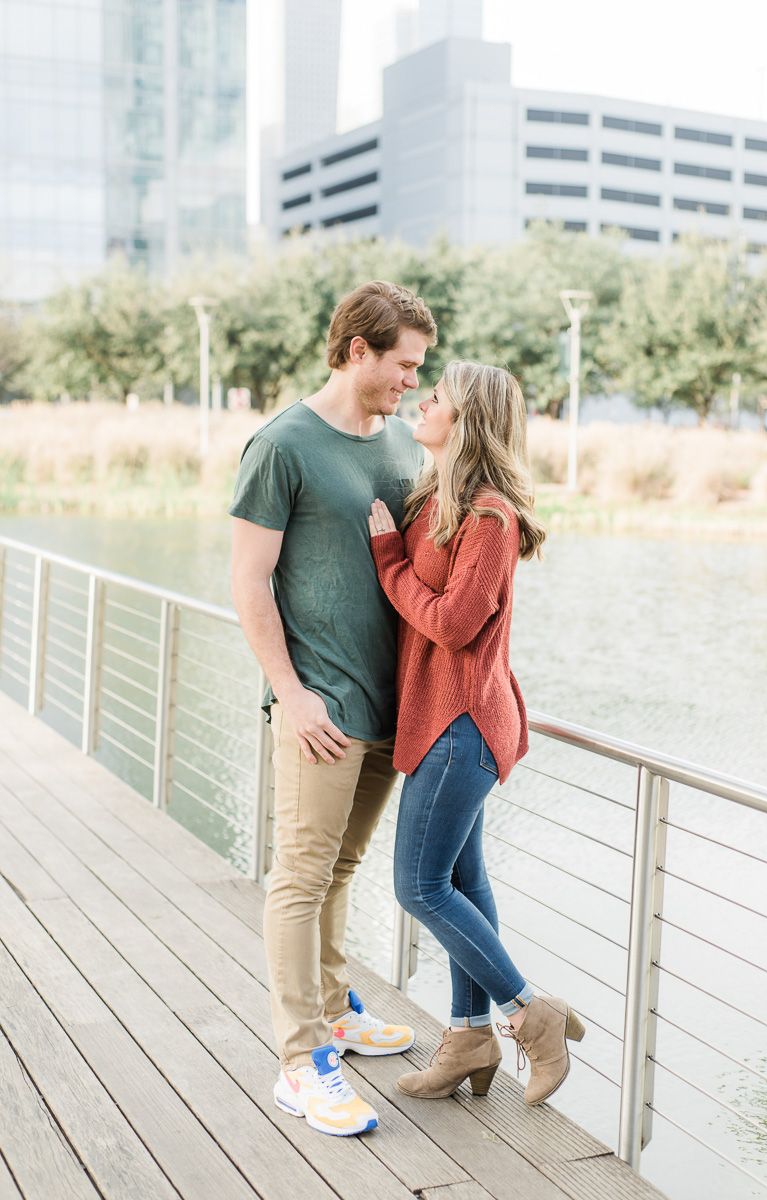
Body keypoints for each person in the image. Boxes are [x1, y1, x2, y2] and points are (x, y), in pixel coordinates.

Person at [230, 280, 437, 1137]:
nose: (411, 384)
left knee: (342, 870)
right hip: (322, 707)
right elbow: (248, 582)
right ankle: (299, 1061)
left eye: (419, 369)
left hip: (395, 708)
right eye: (402, 365)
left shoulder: (397, 443)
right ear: (357, 350)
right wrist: (291, 691)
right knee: (300, 877)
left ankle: (334, 1010)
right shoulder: (283, 444)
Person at [368, 360, 585, 1106]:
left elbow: (455, 624)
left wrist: (387, 560)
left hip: (462, 724)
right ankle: (466, 1040)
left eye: (437, 398)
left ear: (465, 422)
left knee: (417, 884)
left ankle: (527, 1012)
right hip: (443, 720)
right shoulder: (436, 501)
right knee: (461, 882)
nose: (422, 402)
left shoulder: (489, 516)